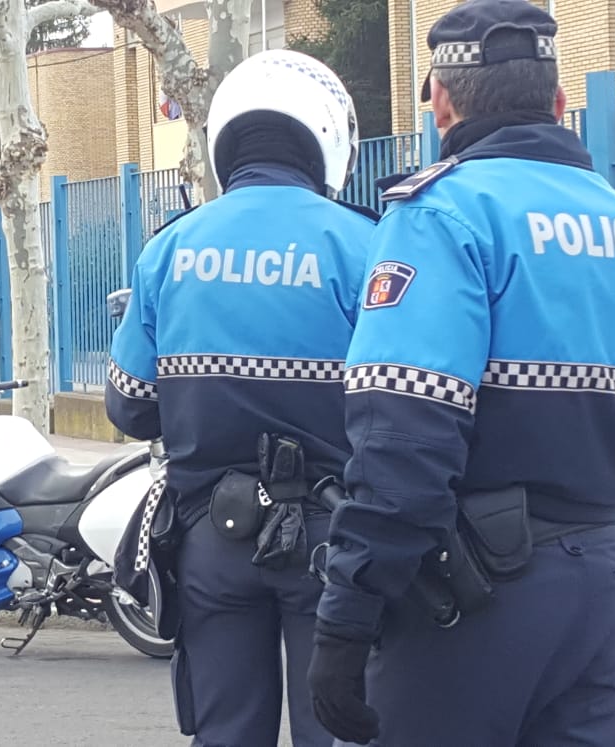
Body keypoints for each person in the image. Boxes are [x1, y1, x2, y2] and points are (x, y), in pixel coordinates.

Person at [305, 0, 615, 744]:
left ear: (442, 102)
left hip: (475, 593)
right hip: (597, 578)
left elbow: (403, 439)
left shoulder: (442, 215)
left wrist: (347, 614)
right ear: (557, 103)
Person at [105, 49, 380, 747]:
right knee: (341, 730)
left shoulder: (170, 250)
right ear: (327, 141)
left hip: (212, 538)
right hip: (335, 543)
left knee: (225, 733)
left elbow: (129, 405)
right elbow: (400, 403)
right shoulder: (365, 244)